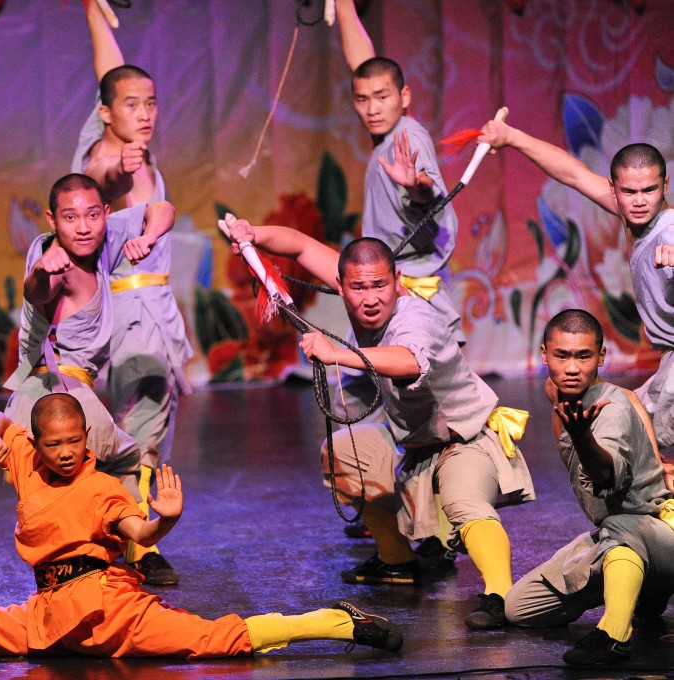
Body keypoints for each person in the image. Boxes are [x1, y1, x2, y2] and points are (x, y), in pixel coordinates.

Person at [0, 392, 404, 660]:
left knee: (211, 641)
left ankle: (332, 623)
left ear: (86, 439)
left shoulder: (100, 485)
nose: (66, 453)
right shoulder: (27, 460)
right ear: (37, 442)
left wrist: (164, 522)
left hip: (109, 605)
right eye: (54, 444)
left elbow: (137, 534)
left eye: (74, 442)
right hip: (46, 610)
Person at [229, 225, 535, 630]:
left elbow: (408, 360)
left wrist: (337, 354)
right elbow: (302, 245)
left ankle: (501, 596)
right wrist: (253, 233)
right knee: (345, 450)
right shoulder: (359, 285)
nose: (370, 298)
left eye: (379, 286)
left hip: (466, 440)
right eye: (358, 288)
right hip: (417, 446)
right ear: (342, 285)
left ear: (397, 282)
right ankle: (397, 562)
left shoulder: (415, 316)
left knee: (463, 500)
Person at [69, 0, 193, 584]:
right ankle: (137, 542)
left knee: (139, 429)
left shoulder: (128, 137)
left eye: (151, 104)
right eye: (131, 107)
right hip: (129, 313)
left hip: (150, 309)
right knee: (135, 432)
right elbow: (100, 174)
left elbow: (111, 77)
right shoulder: (107, 153)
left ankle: (122, 532)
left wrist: (95, 15)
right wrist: (116, 168)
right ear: (105, 113)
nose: (144, 115)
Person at [477, 122, 674, 456]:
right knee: (578, 401)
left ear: (665, 185)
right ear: (614, 190)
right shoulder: (633, 214)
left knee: (623, 430)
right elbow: (572, 173)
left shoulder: (668, 231)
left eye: (649, 190)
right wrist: (512, 136)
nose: (639, 201)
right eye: (629, 192)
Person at [505, 309, 674, 666]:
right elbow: (558, 385)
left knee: (620, 526)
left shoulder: (608, 409)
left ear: (601, 357)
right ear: (544, 354)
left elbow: (606, 475)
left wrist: (584, 439)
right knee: (520, 606)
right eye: (561, 355)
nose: (571, 367)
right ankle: (644, 584)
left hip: (659, 528)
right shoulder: (561, 394)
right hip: (621, 539)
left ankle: (614, 636)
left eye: (583, 356)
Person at [3, 173, 175, 517]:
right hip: (54, 393)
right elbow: (38, 291)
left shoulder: (103, 241)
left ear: (106, 213)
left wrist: (150, 236)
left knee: (76, 493)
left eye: (92, 215)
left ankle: (114, 553)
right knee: (124, 461)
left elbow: (162, 208)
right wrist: (41, 272)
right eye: (70, 217)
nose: (84, 227)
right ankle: (141, 552)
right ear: (52, 220)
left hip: (56, 393)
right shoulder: (55, 261)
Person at [333, 0, 464, 346]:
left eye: (381, 97)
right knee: (364, 382)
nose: (371, 109)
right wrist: (344, 6)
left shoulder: (409, 138)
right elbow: (362, 64)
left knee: (432, 387)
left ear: (404, 96)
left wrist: (418, 185)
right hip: (390, 285)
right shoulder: (386, 131)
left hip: (413, 290)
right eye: (362, 99)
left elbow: (427, 192)